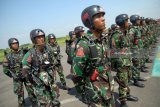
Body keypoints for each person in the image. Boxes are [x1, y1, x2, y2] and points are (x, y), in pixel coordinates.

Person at [72, 5, 115, 107]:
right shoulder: (84, 44)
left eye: (102, 16)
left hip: (108, 89)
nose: (103, 19)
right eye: (98, 16)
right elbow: (76, 73)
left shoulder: (102, 40)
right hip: (96, 95)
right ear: (89, 21)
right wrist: (86, 93)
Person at [22, 29, 60, 107]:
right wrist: (36, 81)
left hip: (51, 83)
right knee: (46, 104)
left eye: (42, 37)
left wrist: (53, 75)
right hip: (40, 86)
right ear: (33, 40)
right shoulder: (30, 54)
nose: (41, 39)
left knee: (56, 102)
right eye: (38, 37)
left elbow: (53, 63)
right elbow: (25, 72)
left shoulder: (48, 50)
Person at [111, 14, 139, 107]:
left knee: (128, 79)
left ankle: (127, 94)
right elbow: (113, 52)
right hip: (121, 64)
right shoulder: (116, 35)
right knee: (123, 82)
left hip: (127, 61)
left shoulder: (125, 33)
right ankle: (123, 102)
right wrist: (117, 66)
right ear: (122, 22)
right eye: (127, 21)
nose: (129, 22)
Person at [2, 38, 37, 107]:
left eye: (16, 43)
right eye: (13, 44)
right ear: (10, 45)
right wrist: (13, 75)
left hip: (27, 76)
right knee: (20, 94)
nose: (15, 45)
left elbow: (31, 62)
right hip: (17, 79)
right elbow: (5, 70)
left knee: (31, 91)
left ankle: (34, 103)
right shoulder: (8, 56)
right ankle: (21, 104)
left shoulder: (24, 52)